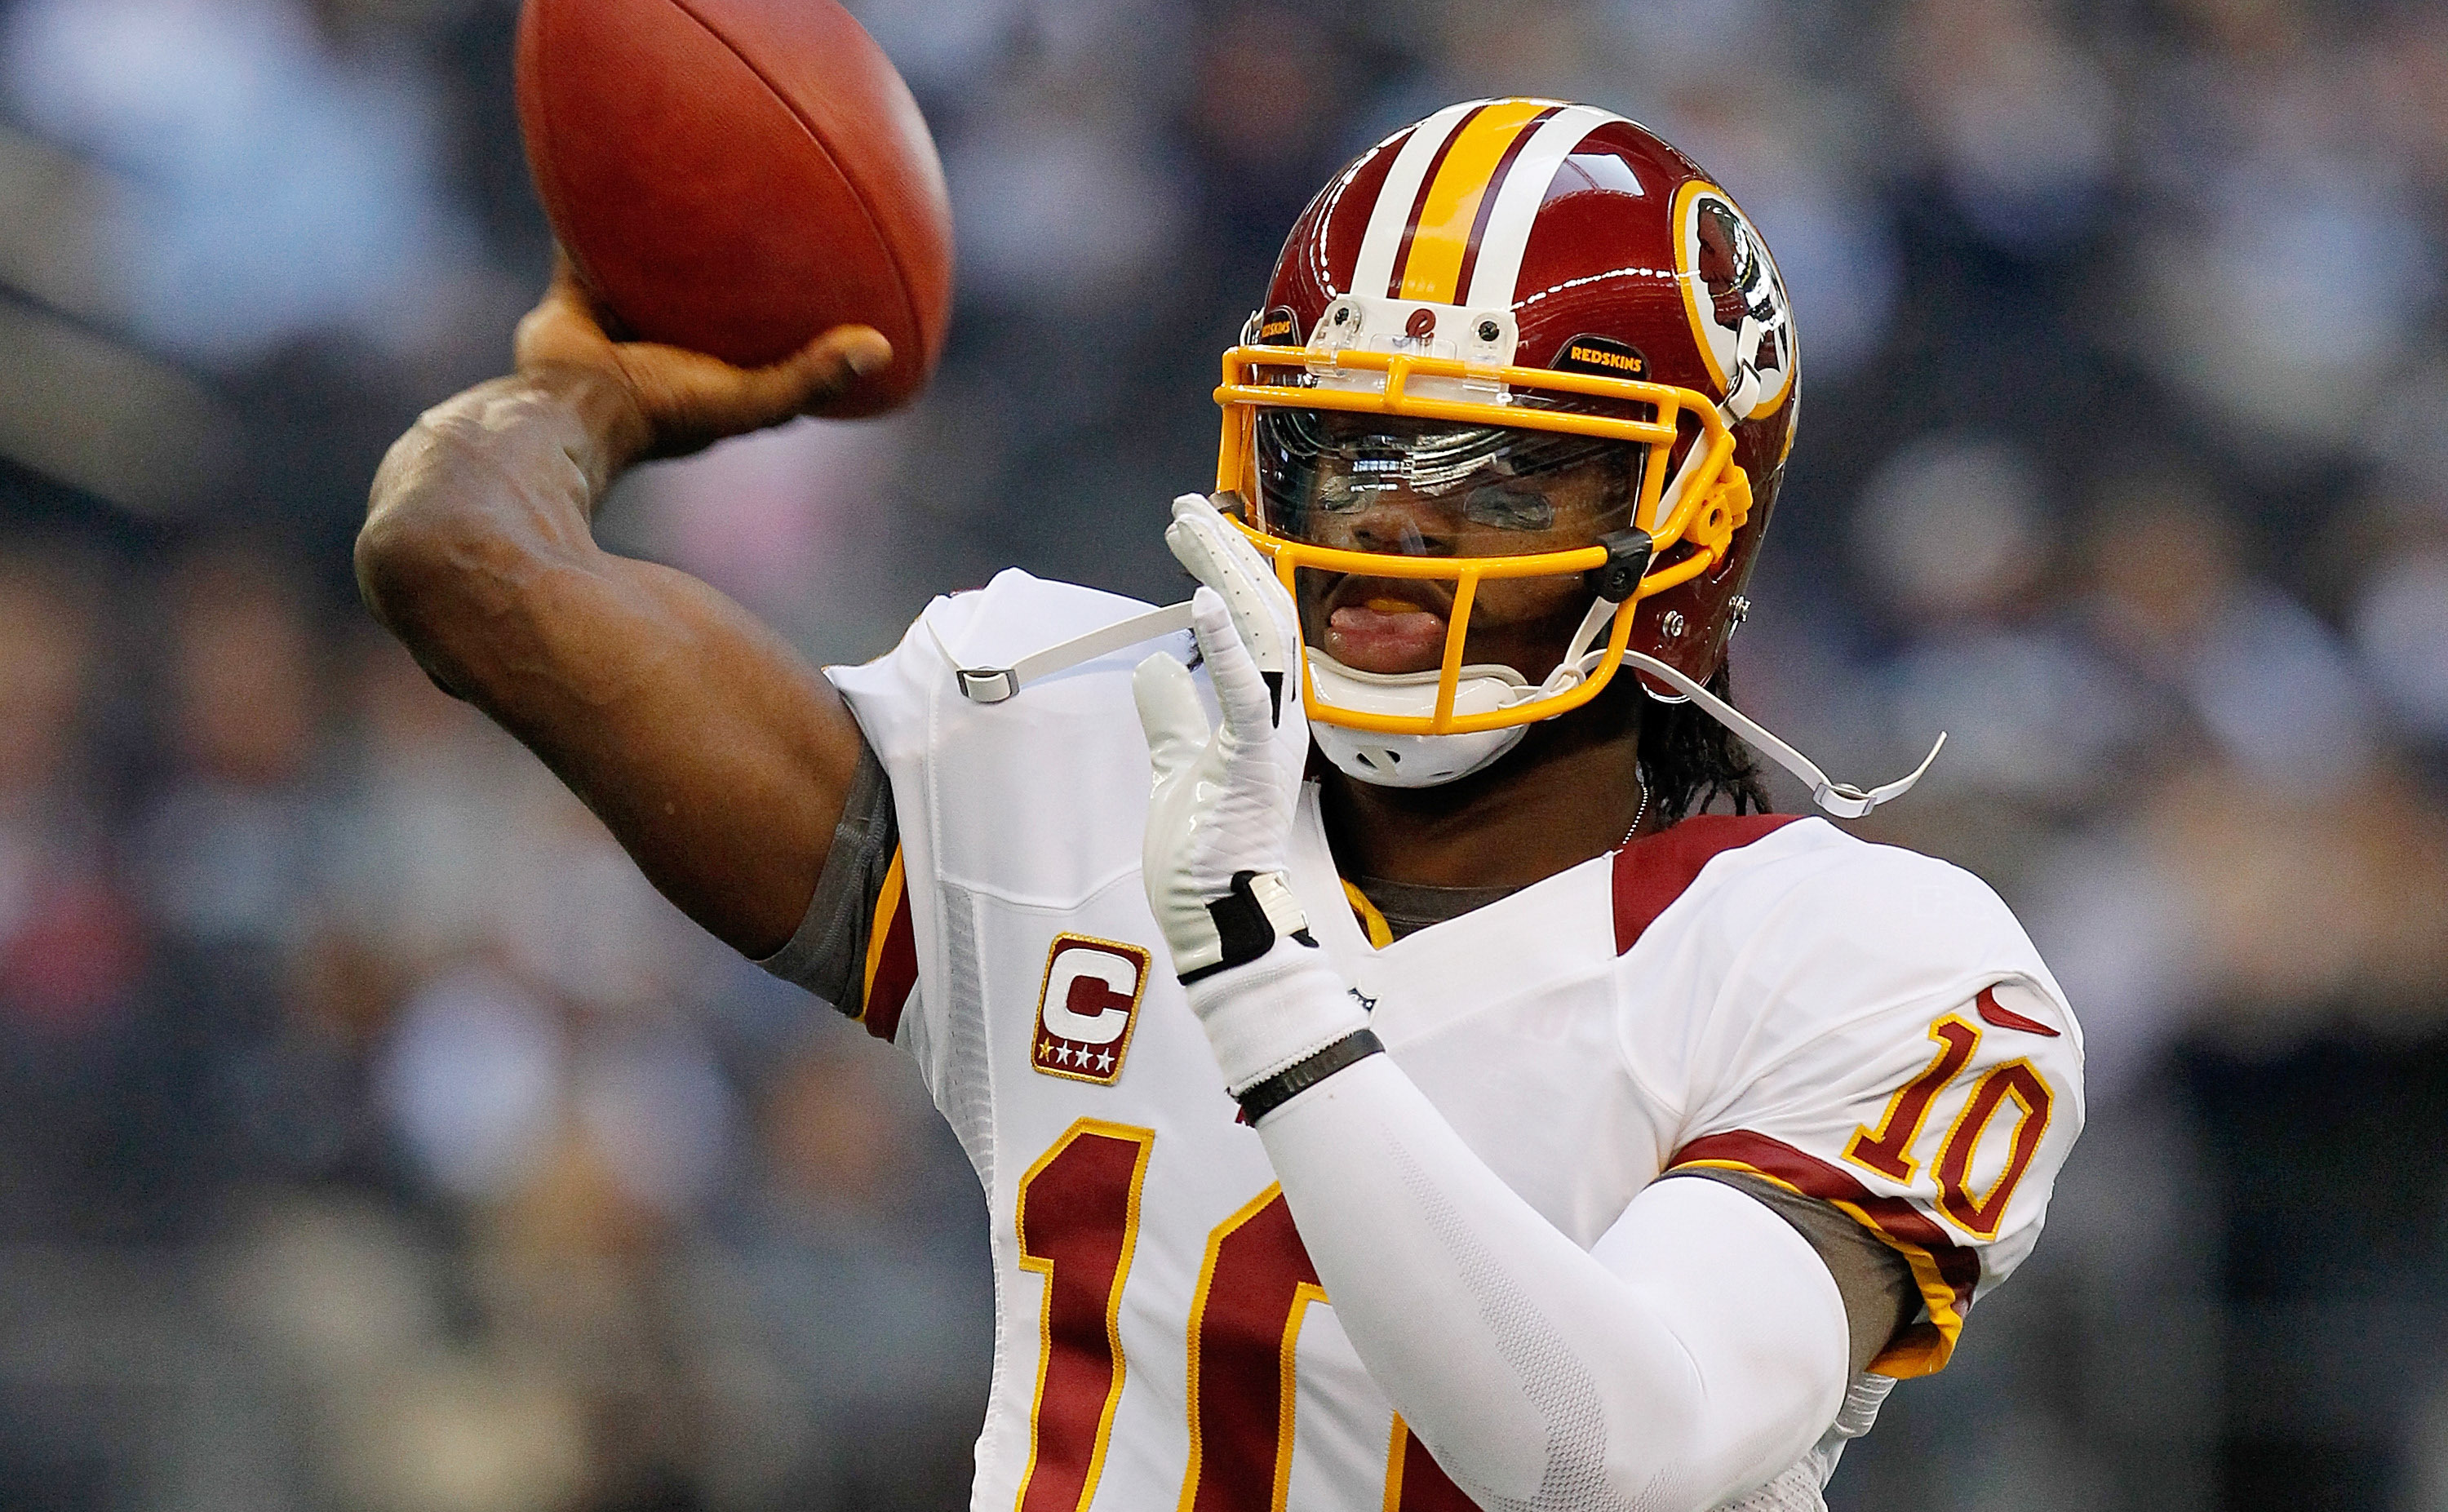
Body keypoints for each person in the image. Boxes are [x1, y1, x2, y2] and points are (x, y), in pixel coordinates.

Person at [358, 98, 2084, 1512]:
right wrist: (584, 389)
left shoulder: (1862, 960)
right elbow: (460, 564)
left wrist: (1254, 960)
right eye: (1348, 447)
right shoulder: (1068, 736)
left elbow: (1596, 1458)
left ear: (1691, 526)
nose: (1397, 525)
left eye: (1501, 470)